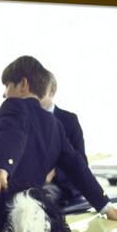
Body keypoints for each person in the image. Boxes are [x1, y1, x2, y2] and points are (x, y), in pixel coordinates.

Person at [0, 55, 117, 221]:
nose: (4, 94)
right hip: (27, 213)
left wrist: (0, 172)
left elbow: (8, 139)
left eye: (7, 86)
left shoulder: (13, 105)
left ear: (23, 84)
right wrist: (105, 206)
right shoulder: (55, 126)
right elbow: (77, 166)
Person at [41, 72, 88, 205]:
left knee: (38, 198)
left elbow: (81, 160)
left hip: (61, 186)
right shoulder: (23, 120)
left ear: (52, 91)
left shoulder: (69, 120)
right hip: (27, 183)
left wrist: (54, 172)